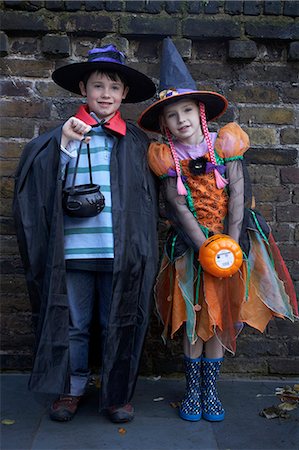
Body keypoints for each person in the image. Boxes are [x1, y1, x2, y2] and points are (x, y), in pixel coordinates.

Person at [138, 37, 298, 423]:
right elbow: (177, 207)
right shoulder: (165, 158)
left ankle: (211, 390)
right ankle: (192, 389)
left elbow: (239, 192)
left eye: (188, 110)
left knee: (222, 318)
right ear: (164, 124)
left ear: (201, 112)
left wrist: (232, 240)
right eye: (172, 115)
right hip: (191, 249)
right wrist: (203, 247)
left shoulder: (225, 145)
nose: (182, 120)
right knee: (196, 319)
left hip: (232, 242)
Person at [13, 44, 159, 424]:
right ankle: (72, 389)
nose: (106, 94)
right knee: (73, 324)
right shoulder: (61, 137)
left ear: (124, 94)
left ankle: (115, 395)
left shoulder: (136, 143)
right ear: (83, 89)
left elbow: (153, 199)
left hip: (119, 252)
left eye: (114, 87)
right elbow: (39, 185)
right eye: (98, 86)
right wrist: (64, 143)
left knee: (119, 322)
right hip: (74, 252)